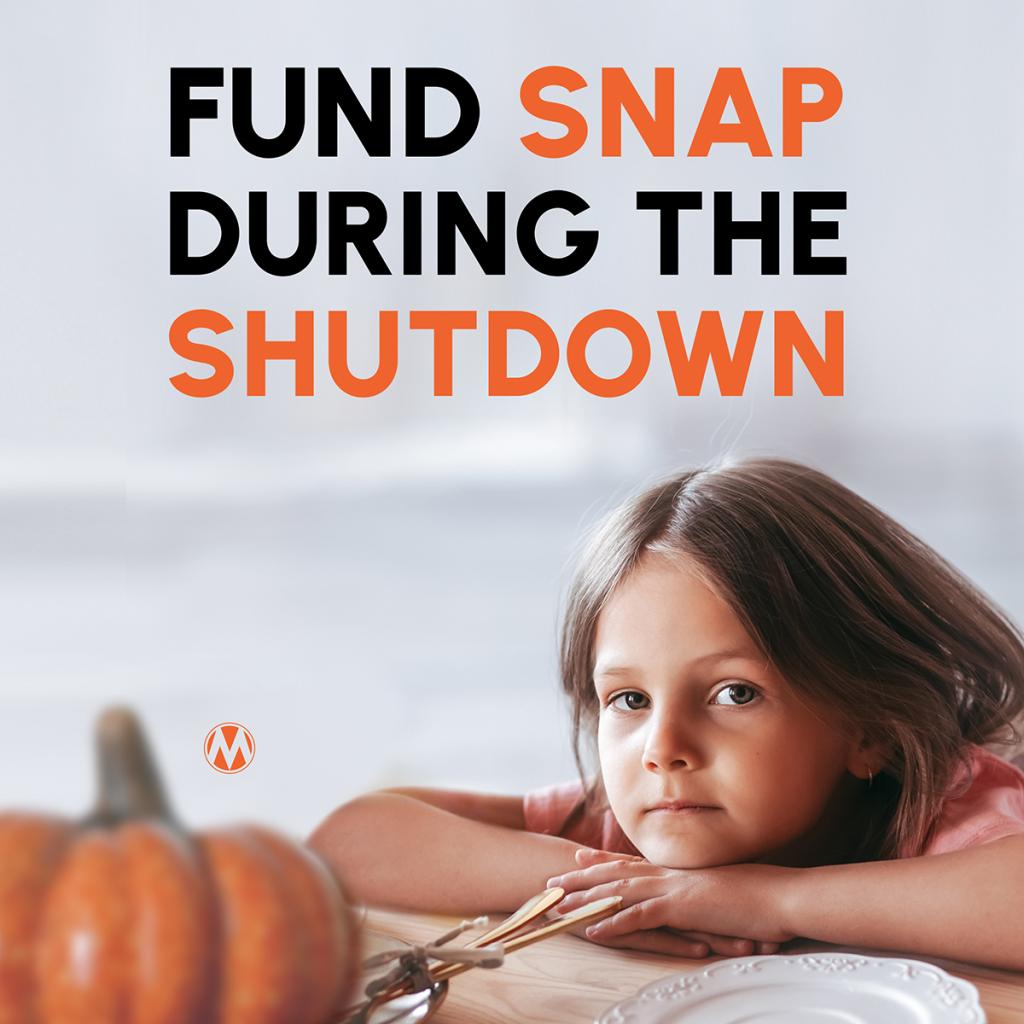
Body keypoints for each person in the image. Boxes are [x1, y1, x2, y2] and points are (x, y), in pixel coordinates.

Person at [309, 457, 1024, 970]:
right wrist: (591, 889)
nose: (663, 747)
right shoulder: (633, 829)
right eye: (629, 700)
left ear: (868, 729)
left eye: (734, 693)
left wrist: (769, 900)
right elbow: (349, 839)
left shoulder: (952, 809)